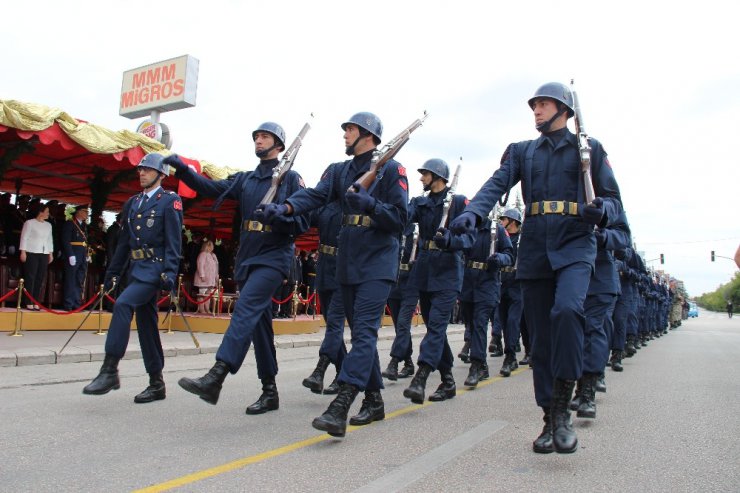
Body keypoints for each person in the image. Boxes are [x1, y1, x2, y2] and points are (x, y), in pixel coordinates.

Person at [449, 81, 622, 454]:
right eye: (534, 106)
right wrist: (472, 213)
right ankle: (549, 416)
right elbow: (496, 185)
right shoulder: (522, 152)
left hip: (576, 243)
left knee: (568, 311)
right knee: (539, 340)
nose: (537, 111)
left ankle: (564, 409)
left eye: (544, 105)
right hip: (536, 248)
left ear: (564, 111)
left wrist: (602, 212)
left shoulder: (589, 149)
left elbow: (613, 201)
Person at [259, 111, 408, 437]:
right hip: (348, 261)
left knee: (365, 334)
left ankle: (342, 402)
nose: (344, 135)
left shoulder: (391, 170)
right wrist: (285, 208)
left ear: (367, 135)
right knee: (359, 335)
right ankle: (374, 400)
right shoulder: (341, 171)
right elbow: (314, 194)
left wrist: (369, 204)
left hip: (378, 263)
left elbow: (400, 219)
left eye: (350, 130)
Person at [168, 122, 310, 415]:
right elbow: (210, 188)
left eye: (265, 137)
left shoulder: (291, 179)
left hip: (273, 257)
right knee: (259, 328)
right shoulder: (245, 179)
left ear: (279, 146)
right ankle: (270, 392)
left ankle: (216, 375)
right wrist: (184, 171)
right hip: (248, 258)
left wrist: (277, 217)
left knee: (244, 309)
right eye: (256, 136)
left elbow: (302, 222)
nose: (259, 140)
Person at [82, 153, 183, 403]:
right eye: (140, 169)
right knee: (148, 326)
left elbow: (174, 242)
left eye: (148, 170)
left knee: (124, 304)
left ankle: (109, 370)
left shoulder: (170, 201)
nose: (142, 173)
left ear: (161, 174)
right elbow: (124, 244)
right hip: (136, 269)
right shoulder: (133, 203)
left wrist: (170, 272)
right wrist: (112, 274)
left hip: (155, 270)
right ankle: (156, 383)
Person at [402, 159, 474, 404]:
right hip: (424, 269)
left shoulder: (458, 202)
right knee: (436, 329)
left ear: (438, 177)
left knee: (435, 327)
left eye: (425, 175)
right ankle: (448, 380)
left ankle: (421, 377)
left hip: (448, 271)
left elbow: (470, 240)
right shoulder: (420, 203)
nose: (421, 179)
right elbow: (404, 217)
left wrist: (451, 240)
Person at [459, 214, 514, 388]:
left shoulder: (497, 230)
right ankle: (482, 364)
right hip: (468, 281)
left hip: (487, 281)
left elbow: (509, 255)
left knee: (480, 322)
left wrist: (499, 259)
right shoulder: (467, 227)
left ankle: (476, 366)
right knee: (471, 324)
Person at [302, 201, 347, 395]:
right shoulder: (326, 206)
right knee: (332, 327)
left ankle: (320, 370)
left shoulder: (355, 204)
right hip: (325, 269)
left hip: (344, 269)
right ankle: (343, 375)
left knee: (335, 324)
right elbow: (306, 218)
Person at [495, 207, 525, 376]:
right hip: (502, 283)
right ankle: (510, 354)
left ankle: (510, 356)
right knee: (504, 321)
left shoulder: (523, 239)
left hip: (517, 284)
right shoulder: (499, 238)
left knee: (513, 321)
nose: (501, 222)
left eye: (504, 219)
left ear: (512, 222)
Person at [19, 203, 54, 310]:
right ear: (41, 212)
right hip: (31, 252)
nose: (48, 214)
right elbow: (24, 237)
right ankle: (28, 301)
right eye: (47, 211)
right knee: (31, 277)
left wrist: (50, 253)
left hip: (43, 253)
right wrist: (23, 251)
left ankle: (35, 300)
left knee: (40, 277)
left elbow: (49, 240)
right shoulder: (29, 223)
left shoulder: (48, 225)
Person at [61, 204, 90, 310]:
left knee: (80, 279)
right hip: (73, 254)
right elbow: (65, 240)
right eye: (85, 211)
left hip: (82, 255)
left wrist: (86, 254)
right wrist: (70, 254)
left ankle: (76, 303)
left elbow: (85, 242)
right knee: (71, 279)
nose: (87, 214)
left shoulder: (84, 226)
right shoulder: (70, 223)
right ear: (78, 212)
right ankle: (68, 303)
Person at [194, 239, 219, 314]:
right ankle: (202, 309)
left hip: (211, 279)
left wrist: (216, 277)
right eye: (210, 245)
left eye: (212, 245)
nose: (211, 247)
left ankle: (207, 309)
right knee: (202, 294)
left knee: (208, 295)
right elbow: (200, 265)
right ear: (206, 246)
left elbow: (216, 267)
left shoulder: (213, 255)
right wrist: (202, 275)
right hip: (203, 278)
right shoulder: (202, 254)